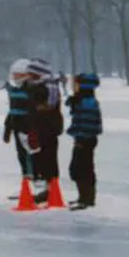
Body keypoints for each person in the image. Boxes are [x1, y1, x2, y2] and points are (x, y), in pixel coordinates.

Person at [24, 58, 63, 204]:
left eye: (30, 74)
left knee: (49, 159)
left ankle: (52, 190)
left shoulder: (45, 88)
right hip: (40, 128)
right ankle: (48, 188)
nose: (27, 76)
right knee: (42, 159)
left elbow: (42, 107)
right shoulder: (38, 87)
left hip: (48, 129)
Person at [66, 73, 102, 210]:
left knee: (82, 169)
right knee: (78, 168)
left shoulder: (87, 102)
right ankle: (83, 197)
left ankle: (87, 199)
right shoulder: (82, 100)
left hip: (85, 139)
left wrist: (80, 137)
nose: (73, 87)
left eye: (75, 84)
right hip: (82, 138)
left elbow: (89, 124)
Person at [1, 61, 36, 197]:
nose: (14, 77)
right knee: (22, 156)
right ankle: (26, 184)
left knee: (30, 157)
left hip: (27, 130)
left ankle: (33, 185)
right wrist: (7, 128)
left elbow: (32, 112)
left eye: (17, 74)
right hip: (18, 129)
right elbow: (12, 111)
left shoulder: (31, 90)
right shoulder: (16, 91)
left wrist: (31, 129)